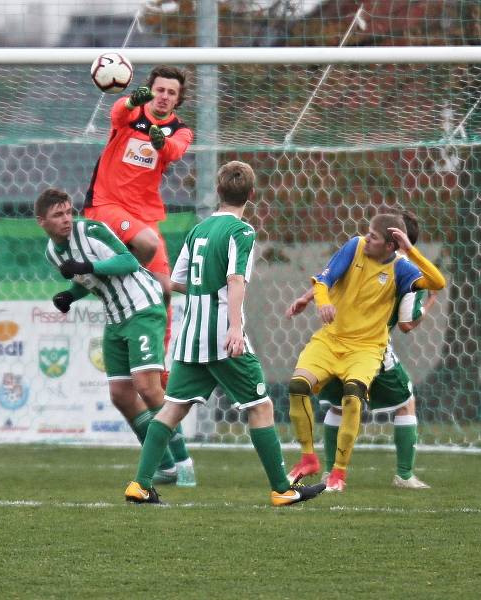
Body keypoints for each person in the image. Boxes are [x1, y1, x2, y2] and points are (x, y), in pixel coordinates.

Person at [124, 161, 326, 506]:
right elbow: (235, 279)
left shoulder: (198, 231)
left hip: (191, 338)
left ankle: (140, 484)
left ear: (218, 192)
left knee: (172, 410)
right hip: (222, 336)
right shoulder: (242, 232)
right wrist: (234, 326)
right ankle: (282, 489)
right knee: (260, 406)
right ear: (251, 194)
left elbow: (179, 282)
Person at [36, 188, 195, 487]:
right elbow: (87, 280)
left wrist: (88, 266)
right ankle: (166, 466)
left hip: (143, 307)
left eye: (69, 211)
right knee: (121, 395)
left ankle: (184, 463)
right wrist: (70, 295)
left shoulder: (92, 230)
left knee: (148, 390)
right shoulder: (51, 252)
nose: (67, 219)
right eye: (58, 215)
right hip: (116, 317)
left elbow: (129, 262)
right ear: (41, 221)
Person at [286, 210, 445, 492]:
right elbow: (408, 323)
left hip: (368, 347)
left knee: (345, 400)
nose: (367, 238)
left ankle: (336, 474)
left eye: (376, 235)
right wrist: (311, 297)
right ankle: (402, 474)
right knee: (404, 401)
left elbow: (436, 283)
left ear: (394, 242)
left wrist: (306, 298)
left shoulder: (406, 270)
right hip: (353, 345)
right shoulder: (358, 247)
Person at [83, 65, 193, 357]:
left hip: (144, 215)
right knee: (147, 243)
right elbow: (117, 113)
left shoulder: (181, 131)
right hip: (107, 204)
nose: (164, 96)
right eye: (160, 90)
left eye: (172, 92)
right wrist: (131, 100)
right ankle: (110, 278)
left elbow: (174, 150)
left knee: (165, 290)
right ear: (150, 90)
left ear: (178, 99)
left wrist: (162, 143)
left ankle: (159, 363)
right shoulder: (133, 112)